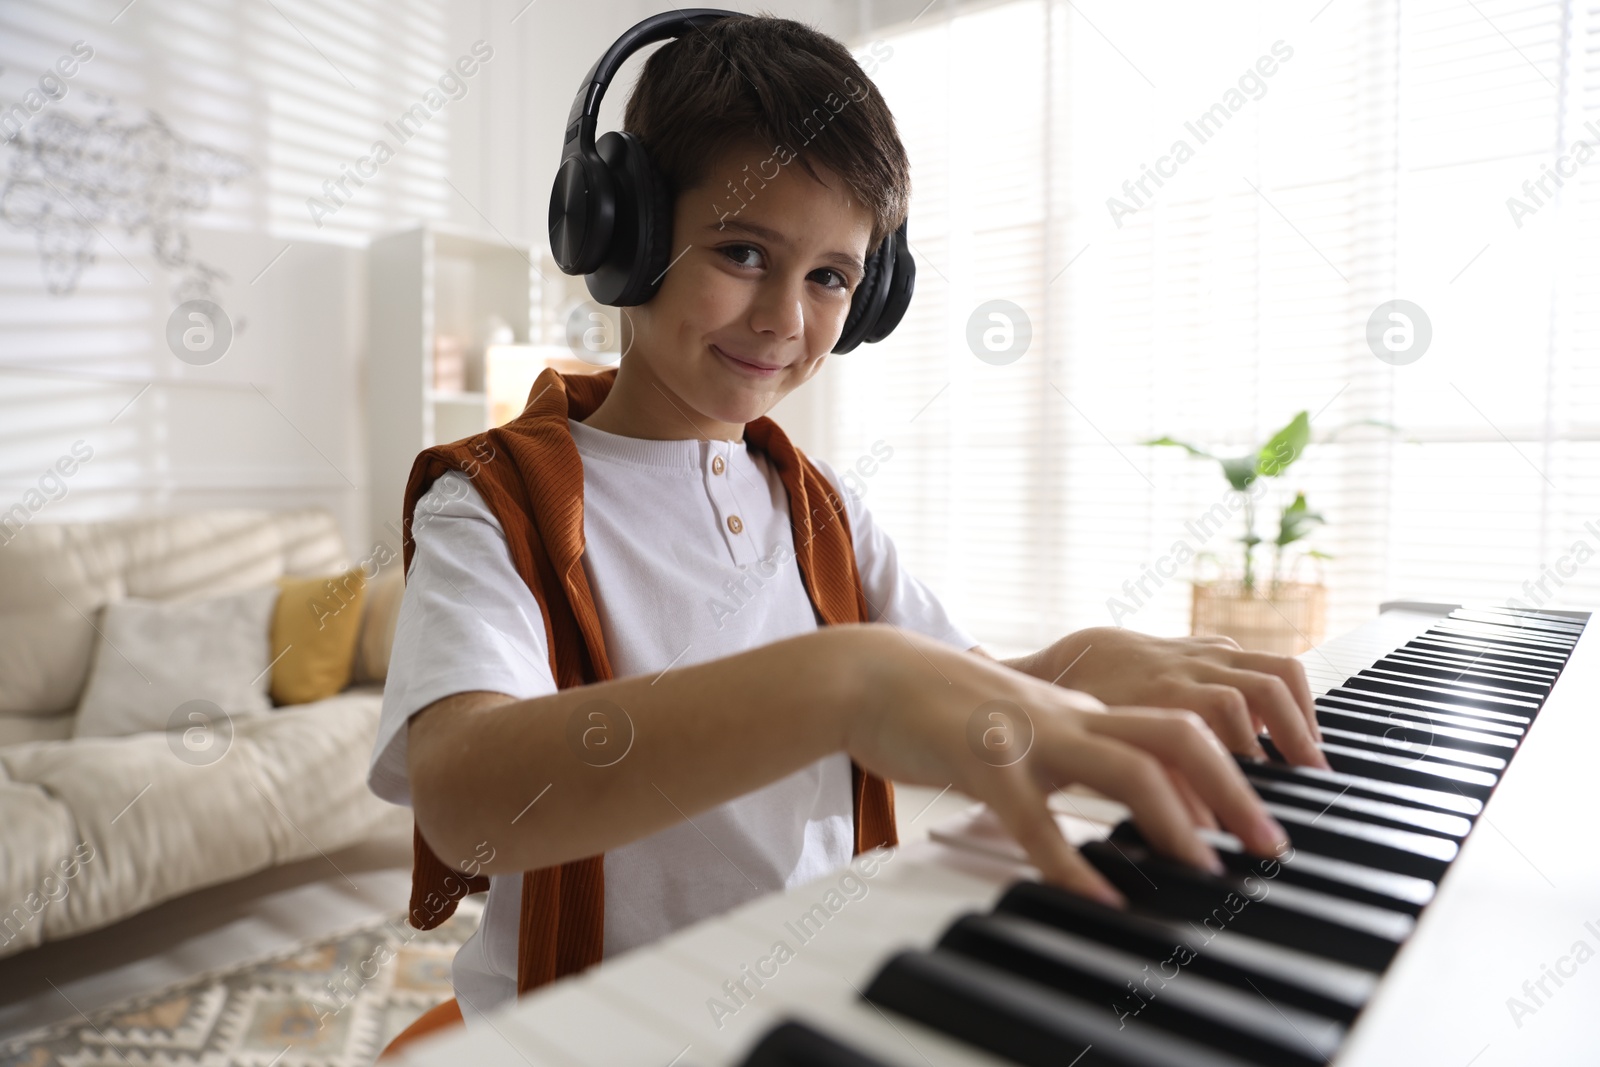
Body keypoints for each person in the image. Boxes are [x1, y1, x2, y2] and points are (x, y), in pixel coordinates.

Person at [366, 12, 1328, 1029]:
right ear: (623, 233)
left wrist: (1073, 666)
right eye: (742, 251)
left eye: (830, 276)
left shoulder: (821, 505)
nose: (786, 318)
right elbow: (467, 801)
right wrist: (842, 681)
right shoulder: (496, 497)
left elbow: (953, 713)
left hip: (805, 1002)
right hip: (587, 1034)